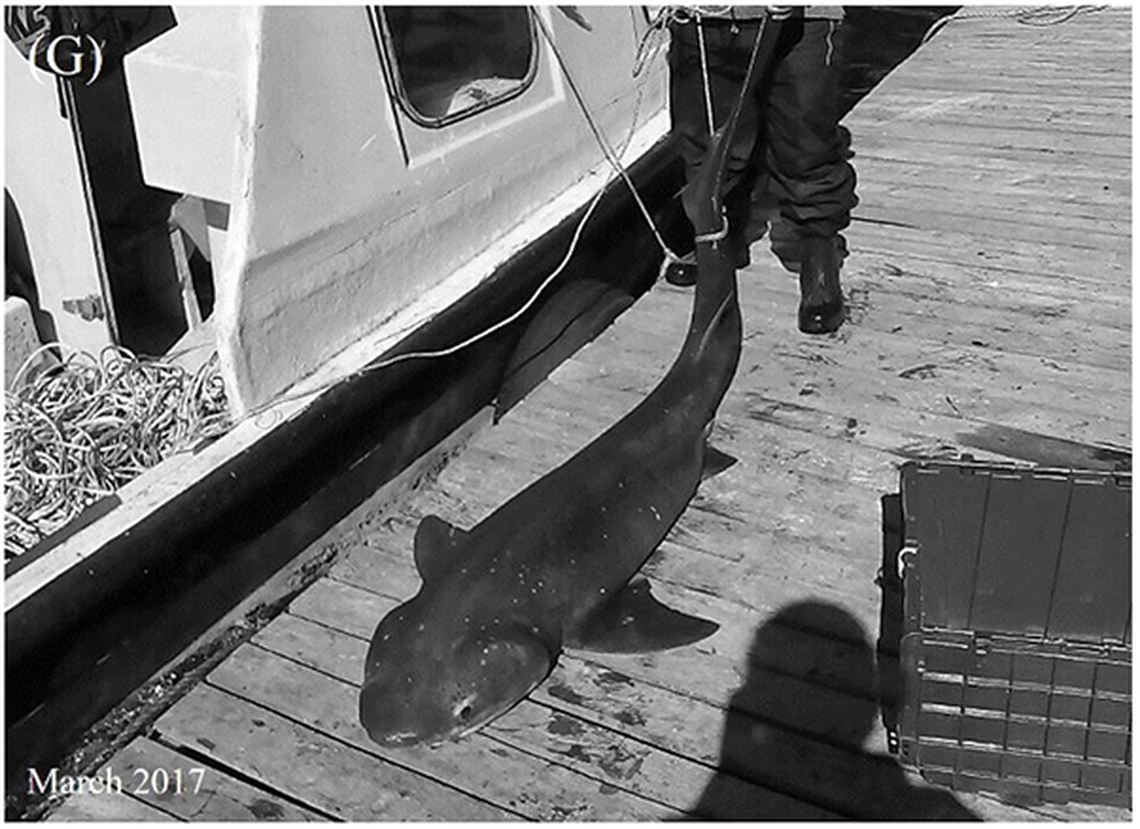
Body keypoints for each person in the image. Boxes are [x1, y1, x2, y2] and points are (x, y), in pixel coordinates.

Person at [665, 6, 857, 335]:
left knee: (807, 144)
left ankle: (818, 253)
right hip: (701, 18)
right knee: (707, 143)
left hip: (802, 18)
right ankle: (720, 237)